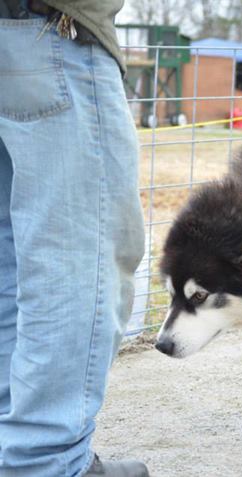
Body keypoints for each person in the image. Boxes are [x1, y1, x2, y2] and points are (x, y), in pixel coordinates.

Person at [0, 1, 148, 476]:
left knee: (12, 265)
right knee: (78, 264)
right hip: (53, 31)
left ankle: (16, 452)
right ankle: (45, 464)